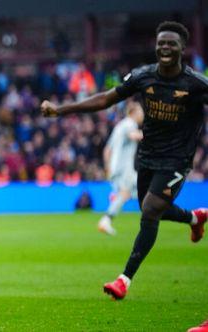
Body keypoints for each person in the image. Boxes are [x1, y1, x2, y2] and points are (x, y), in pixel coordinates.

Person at [41, 21, 208, 300]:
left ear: (182, 48)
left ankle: (124, 280)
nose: (165, 47)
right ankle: (194, 217)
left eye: (172, 43)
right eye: (161, 42)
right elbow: (106, 99)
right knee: (150, 207)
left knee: (151, 209)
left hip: (177, 160)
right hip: (148, 157)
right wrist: (61, 109)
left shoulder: (195, 85)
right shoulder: (144, 76)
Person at [97, 101, 144, 235]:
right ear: (133, 113)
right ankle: (106, 219)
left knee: (130, 192)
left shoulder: (119, 126)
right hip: (124, 167)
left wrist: (108, 168)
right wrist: (154, 135)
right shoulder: (130, 124)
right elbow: (134, 135)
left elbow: (107, 150)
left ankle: (110, 211)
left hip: (116, 167)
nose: (143, 115)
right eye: (141, 112)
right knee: (135, 190)